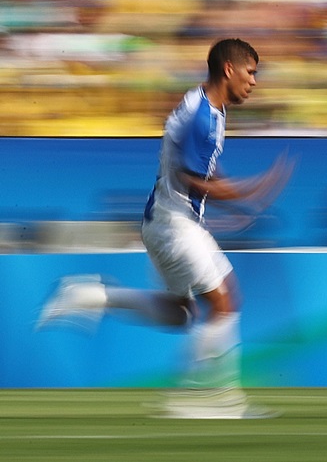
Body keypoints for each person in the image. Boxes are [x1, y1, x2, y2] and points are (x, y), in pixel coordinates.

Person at [37, 38, 292, 419]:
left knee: (181, 314)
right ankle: (205, 398)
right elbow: (193, 180)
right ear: (228, 70)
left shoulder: (207, 109)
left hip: (171, 223)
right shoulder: (203, 117)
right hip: (174, 228)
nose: (254, 82)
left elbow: (199, 173)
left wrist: (228, 209)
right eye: (251, 72)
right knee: (224, 302)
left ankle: (90, 295)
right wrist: (251, 190)